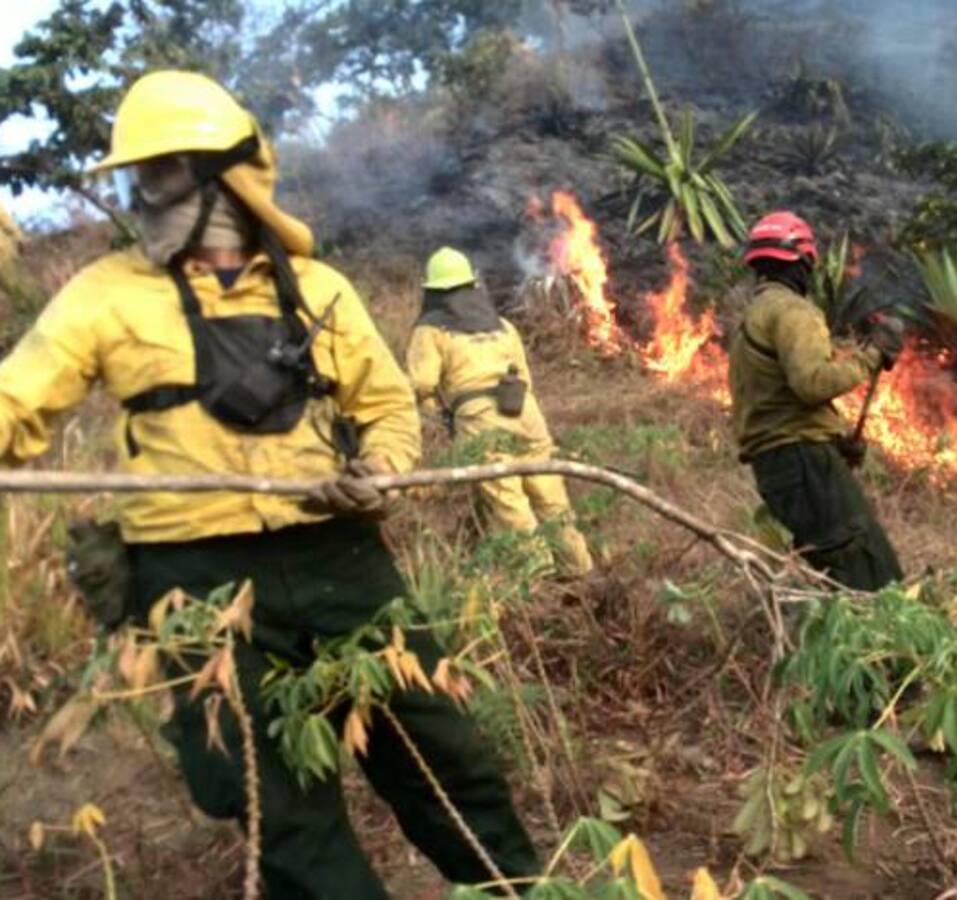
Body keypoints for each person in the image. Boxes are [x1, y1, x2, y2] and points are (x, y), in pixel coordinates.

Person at [0, 71, 537, 898]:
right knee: (272, 803)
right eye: (138, 178)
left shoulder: (320, 290)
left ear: (228, 177)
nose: (144, 198)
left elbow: (387, 405)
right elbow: (16, 399)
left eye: (161, 174)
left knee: (441, 755)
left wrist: (381, 471)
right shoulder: (104, 295)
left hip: (338, 559)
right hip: (191, 582)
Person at [728, 211, 904, 591]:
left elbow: (775, 402)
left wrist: (835, 442)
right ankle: (884, 631)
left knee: (827, 566)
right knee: (868, 567)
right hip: (802, 461)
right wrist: (871, 356)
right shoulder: (793, 312)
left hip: (775, 467)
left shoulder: (751, 320)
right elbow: (811, 383)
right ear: (801, 263)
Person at [406, 247, 594, 578]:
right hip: (524, 410)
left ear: (433, 291)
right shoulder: (503, 326)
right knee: (550, 495)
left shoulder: (431, 330)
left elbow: (421, 383)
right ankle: (577, 568)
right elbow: (525, 378)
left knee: (507, 499)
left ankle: (536, 575)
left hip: (480, 418)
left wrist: (433, 412)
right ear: (471, 285)